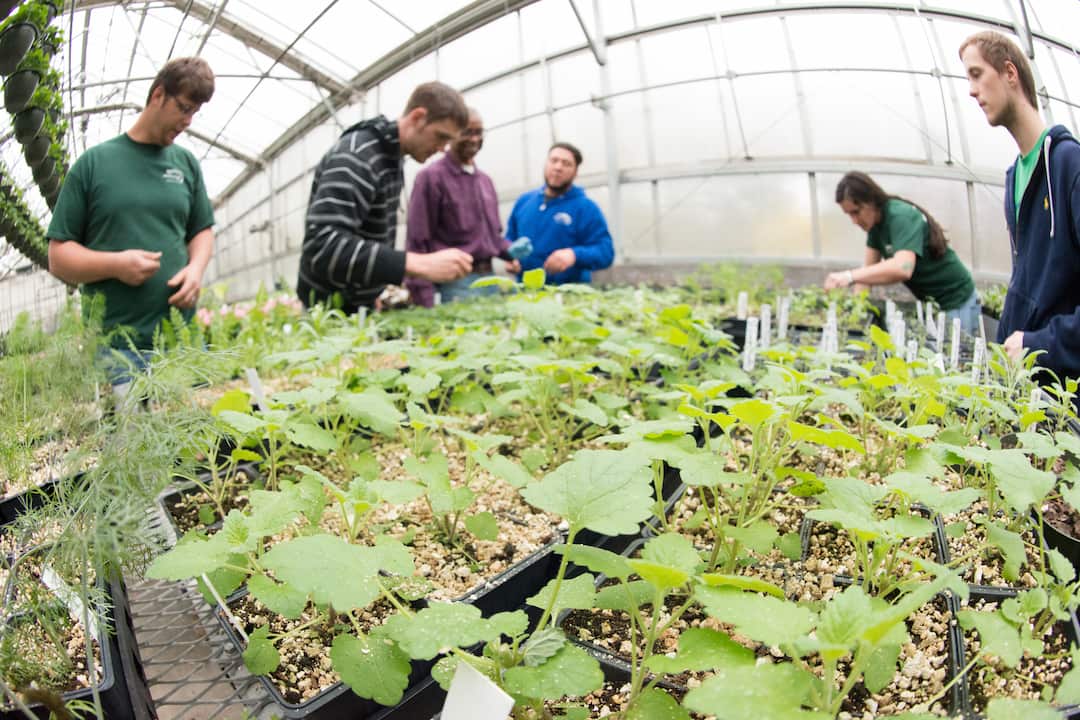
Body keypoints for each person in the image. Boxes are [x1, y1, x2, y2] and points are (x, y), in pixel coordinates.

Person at [47, 57, 216, 387]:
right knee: (130, 437)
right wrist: (116, 265)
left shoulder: (186, 164)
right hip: (117, 350)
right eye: (183, 108)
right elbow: (58, 257)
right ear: (157, 96)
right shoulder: (94, 164)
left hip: (180, 341)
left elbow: (202, 230)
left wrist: (195, 269)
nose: (188, 121)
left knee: (194, 436)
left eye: (194, 112)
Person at [961, 31, 1080, 382]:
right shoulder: (1015, 176)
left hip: (1066, 396)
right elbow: (1028, 282)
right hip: (1027, 382)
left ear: (1010, 73)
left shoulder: (1069, 165)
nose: (970, 90)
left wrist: (1040, 343)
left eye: (977, 74)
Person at [296, 81, 475, 314]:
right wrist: (418, 263)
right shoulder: (358, 155)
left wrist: (373, 291)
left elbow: (365, 233)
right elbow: (323, 247)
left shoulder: (390, 158)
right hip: (327, 312)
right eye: (440, 136)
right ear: (418, 117)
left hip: (356, 307)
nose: (442, 149)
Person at [824, 171, 980, 332]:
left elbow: (903, 268)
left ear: (870, 200)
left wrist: (848, 276)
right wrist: (854, 316)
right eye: (849, 214)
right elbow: (865, 279)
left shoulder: (900, 216)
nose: (854, 221)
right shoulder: (875, 229)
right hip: (934, 304)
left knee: (952, 353)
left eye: (856, 212)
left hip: (957, 300)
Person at [404, 108, 519, 307]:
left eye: (479, 132)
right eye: (467, 132)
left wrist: (510, 251)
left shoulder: (485, 181)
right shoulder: (431, 178)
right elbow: (418, 241)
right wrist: (424, 297)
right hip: (454, 283)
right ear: (451, 134)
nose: (474, 139)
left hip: (490, 278)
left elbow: (491, 237)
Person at [505, 142, 614, 285]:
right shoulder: (524, 202)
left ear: (575, 173)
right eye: (554, 160)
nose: (558, 167)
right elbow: (509, 238)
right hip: (527, 294)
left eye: (566, 163)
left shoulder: (585, 208)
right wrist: (509, 257)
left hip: (569, 296)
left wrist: (573, 255)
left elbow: (605, 252)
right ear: (546, 164)